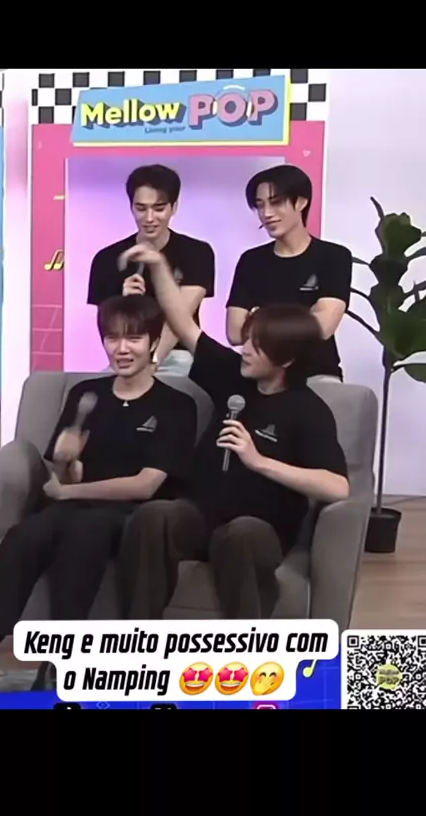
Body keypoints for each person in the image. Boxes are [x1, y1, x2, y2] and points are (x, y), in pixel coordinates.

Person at [0, 295, 197, 692]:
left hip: (129, 512)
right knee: (23, 536)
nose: (122, 349)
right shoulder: (87, 393)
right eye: (112, 338)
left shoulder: (176, 405)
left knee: (83, 536)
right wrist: (67, 461)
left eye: (134, 338)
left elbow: (146, 483)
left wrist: (68, 492)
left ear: (154, 342)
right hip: (74, 504)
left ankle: (59, 659)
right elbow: (65, 478)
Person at [115, 243, 350, 621]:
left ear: (287, 358)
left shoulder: (308, 410)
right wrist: (159, 266)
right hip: (202, 514)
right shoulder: (233, 377)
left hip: (260, 528)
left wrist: (259, 461)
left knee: (241, 534)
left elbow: (337, 486)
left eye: (257, 345)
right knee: (154, 516)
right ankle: (139, 636)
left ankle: (244, 647)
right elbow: (183, 323)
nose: (245, 350)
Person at [226, 165, 352, 383]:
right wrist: (305, 316)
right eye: (260, 205)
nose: (266, 213)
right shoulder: (251, 260)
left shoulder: (334, 256)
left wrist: (258, 318)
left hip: (317, 374)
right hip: (263, 376)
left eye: (276, 202)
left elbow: (323, 327)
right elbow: (235, 332)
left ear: (301, 202)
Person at [87, 164, 215, 376]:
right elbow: (108, 327)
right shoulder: (108, 258)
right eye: (141, 208)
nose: (149, 218)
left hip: (179, 355)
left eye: (158, 208)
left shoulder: (197, 252)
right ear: (131, 207)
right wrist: (124, 303)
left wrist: (152, 362)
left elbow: (179, 321)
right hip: (129, 356)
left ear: (174, 207)